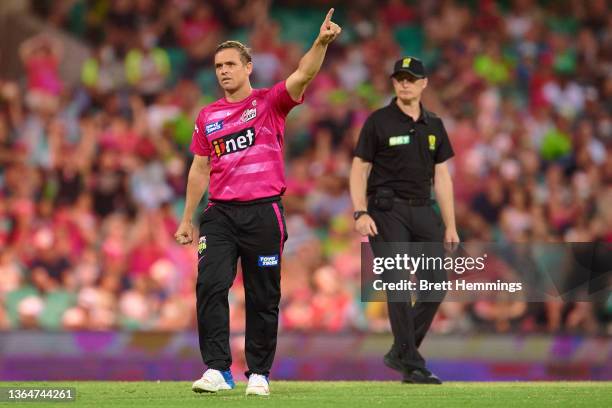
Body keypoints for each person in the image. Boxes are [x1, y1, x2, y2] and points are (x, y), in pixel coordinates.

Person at [174, 9, 341, 396]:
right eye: (218, 66)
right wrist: (187, 219)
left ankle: (260, 373)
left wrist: (320, 43)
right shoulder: (208, 116)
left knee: (263, 294)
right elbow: (200, 169)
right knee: (211, 286)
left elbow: (304, 75)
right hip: (219, 214)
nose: (223, 71)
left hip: (264, 212)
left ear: (248, 67)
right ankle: (217, 369)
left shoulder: (270, 103)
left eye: (231, 64)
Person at [349, 56, 459, 384]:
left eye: (411, 78)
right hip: (386, 210)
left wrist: (451, 224)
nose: (405, 83)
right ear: (394, 83)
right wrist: (360, 211)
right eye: (400, 78)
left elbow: (443, 177)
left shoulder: (435, 125)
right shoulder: (378, 122)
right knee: (397, 280)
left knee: (435, 285)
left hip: (424, 210)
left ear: (424, 83)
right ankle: (411, 360)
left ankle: (402, 351)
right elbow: (359, 168)